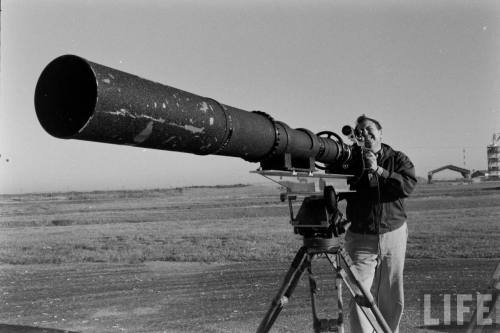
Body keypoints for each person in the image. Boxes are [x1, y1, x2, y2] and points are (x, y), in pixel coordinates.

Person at [343, 115, 417, 333]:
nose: (364, 133)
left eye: (369, 129)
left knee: (390, 292)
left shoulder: (398, 158)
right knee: (359, 291)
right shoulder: (350, 159)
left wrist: (379, 170)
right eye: (359, 131)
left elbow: (408, 186)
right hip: (361, 236)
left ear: (380, 133)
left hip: (393, 232)